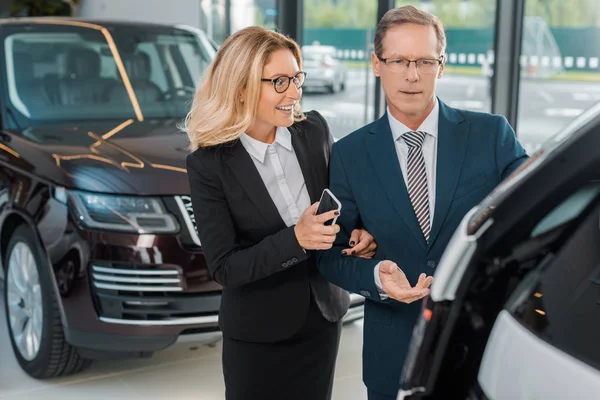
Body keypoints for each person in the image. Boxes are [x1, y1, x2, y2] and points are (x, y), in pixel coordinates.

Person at [316, 6, 529, 400]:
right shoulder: (349, 154)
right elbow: (329, 254)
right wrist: (376, 276)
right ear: (376, 64)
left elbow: (535, 207)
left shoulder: (491, 135)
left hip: (480, 343)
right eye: (398, 61)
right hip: (392, 350)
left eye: (425, 61)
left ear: (441, 66)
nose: (412, 75)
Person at [184, 26, 377, 400]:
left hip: (322, 317)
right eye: (279, 81)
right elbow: (225, 267)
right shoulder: (209, 165)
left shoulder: (315, 131)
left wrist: (362, 231)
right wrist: (296, 239)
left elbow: (342, 207)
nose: (294, 92)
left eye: (296, 77)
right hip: (258, 333)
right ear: (241, 87)